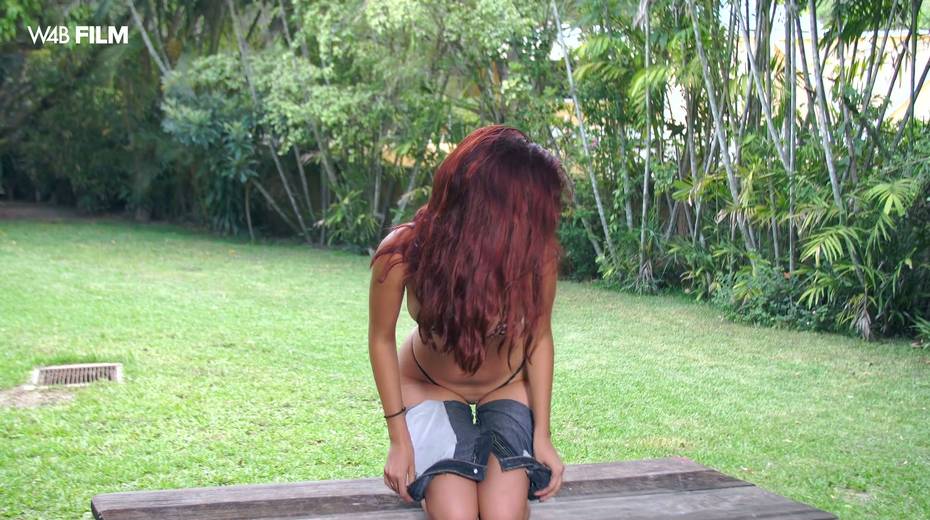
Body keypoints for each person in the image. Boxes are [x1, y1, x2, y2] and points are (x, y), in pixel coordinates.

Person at [367, 124, 572, 519]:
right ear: (489, 211)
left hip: (508, 385)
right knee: (457, 514)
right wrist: (398, 439)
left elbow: (540, 337)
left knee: (502, 514)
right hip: (427, 385)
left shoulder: (536, 256)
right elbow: (381, 339)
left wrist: (543, 435)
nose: (543, 223)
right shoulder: (403, 253)